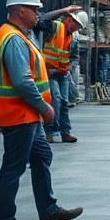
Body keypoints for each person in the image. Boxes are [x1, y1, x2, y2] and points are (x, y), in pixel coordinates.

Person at [0, 0, 83, 220]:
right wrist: (44, 107)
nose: (38, 14)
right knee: (13, 169)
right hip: (17, 114)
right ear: (20, 11)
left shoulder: (21, 35)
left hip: (27, 115)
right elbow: (23, 82)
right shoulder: (13, 39)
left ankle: (49, 211)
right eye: (34, 10)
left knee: (42, 156)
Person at [39, 9, 89, 143]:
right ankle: (49, 131)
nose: (76, 28)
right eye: (75, 24)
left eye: (78, 26)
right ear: (69, 19)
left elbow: (75, 57)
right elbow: (43, 20)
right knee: (55, 100)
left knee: (64, 102)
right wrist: (64, 10)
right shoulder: (54, 27)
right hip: (48, 72)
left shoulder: (73, 38)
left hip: (62, 73)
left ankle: (65, 132)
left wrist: (69, 67)